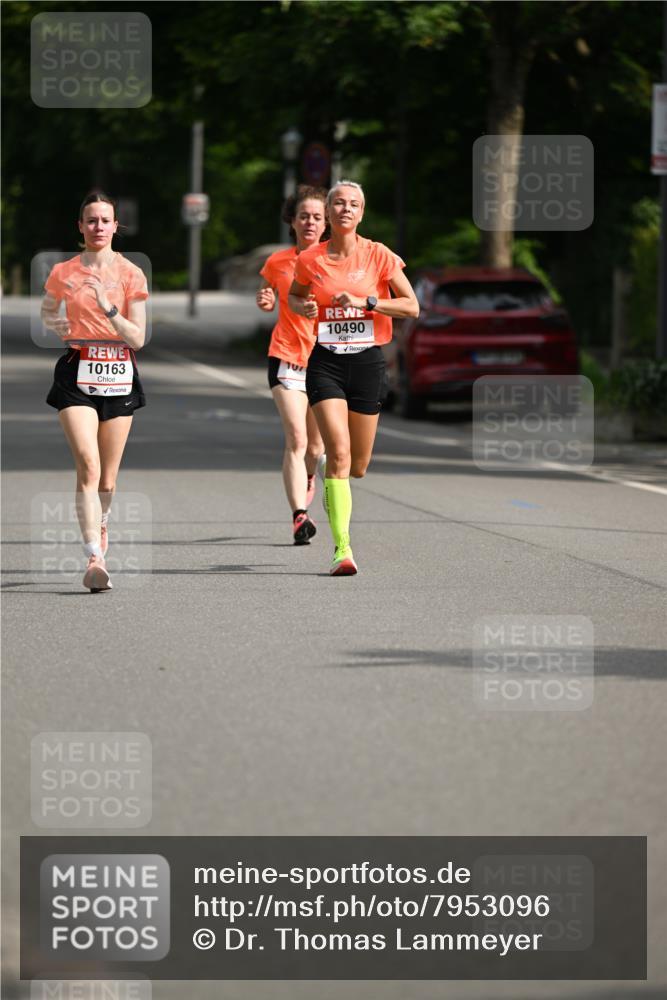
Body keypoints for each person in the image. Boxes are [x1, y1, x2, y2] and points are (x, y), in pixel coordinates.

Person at [288, 180, 419, 576]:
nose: (346, 209)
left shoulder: (378, 255)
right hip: (325, 362)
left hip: (367, 364)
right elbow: (294, 296)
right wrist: (304, 307)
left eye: (354, 204)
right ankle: (342, 549)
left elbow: (411, 306)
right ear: (328, 213)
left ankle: (333, 479)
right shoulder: (311, 259)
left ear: (361, 214)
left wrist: (368, 301)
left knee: (356, 466)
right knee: (339, 453)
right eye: (339, 203)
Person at [41, 192, 149, 593]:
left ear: (116, 226)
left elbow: (137, 338)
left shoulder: (131, 273)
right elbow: (48, 311)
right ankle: (94, 555)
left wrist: (109, 310)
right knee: (87, 465)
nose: (98, 227)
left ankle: (101, 523)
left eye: (105, 220)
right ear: (80, 226)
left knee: (107, 478)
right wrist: (59, 326)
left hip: (120, 373)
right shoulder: (64, 271)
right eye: (91, 220)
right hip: (77, 371)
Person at [256, 185, 326, 545]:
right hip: (286, 357)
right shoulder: (278, 262)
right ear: (292, 221)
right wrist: (266, 299)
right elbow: (268, 294)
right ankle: (300, 517)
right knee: (296, 439)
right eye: (304, 216)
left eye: (317, 216)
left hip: (325, 363)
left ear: (326, 221)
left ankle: (308, 476)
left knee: (315, 449)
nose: (310, 222)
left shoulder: (336, 261)